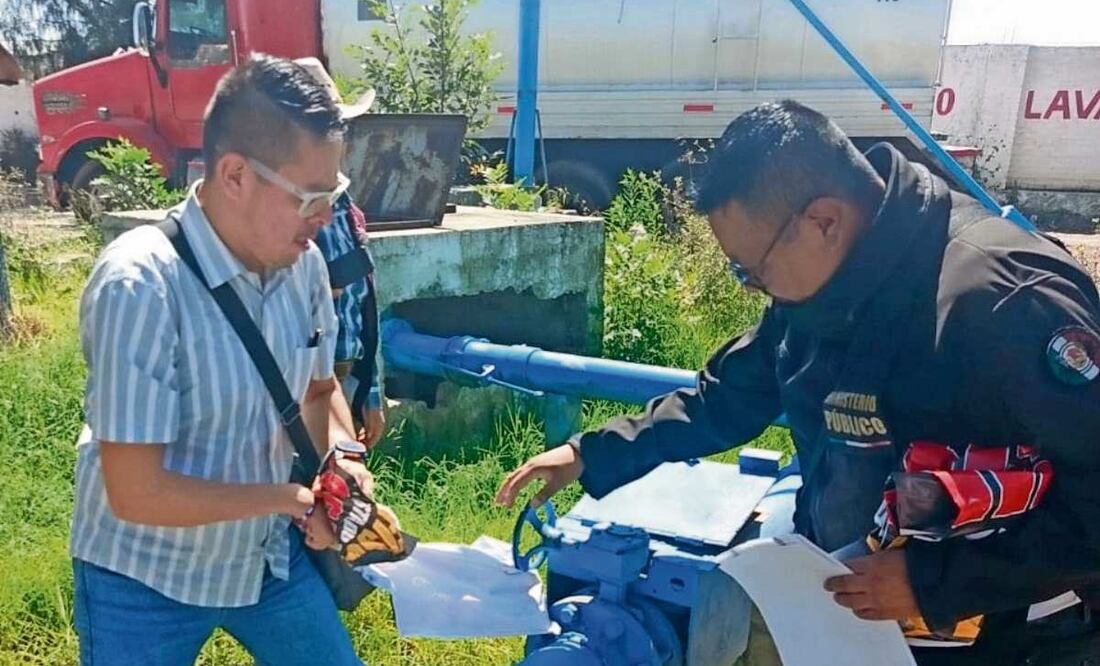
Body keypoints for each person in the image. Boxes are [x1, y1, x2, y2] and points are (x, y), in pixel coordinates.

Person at [496, 100, 1100, 664]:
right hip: (858, 612)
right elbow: (728, 396)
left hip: (1007, 632)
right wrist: (589, 452)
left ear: (823, 221)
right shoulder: (827, 289)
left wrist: (934, 583)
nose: (750, 285)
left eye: (750, 268)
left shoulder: (1002, 304)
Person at [70, 55, 368, 665]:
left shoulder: (302, 262)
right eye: (310, 196)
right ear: (235, 175)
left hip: (263, 561)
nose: (327, 217)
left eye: (333, 192)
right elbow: (137, 493)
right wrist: (287, 500)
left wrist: (344, 462)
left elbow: (317, 392)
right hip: (144, 579)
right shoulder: (140, 285)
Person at [292, 57, 387, 448]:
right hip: (306, 383)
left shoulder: (342, 203)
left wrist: (371, 387)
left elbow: (362, 298)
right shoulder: (282, 215)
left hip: (342, 378)